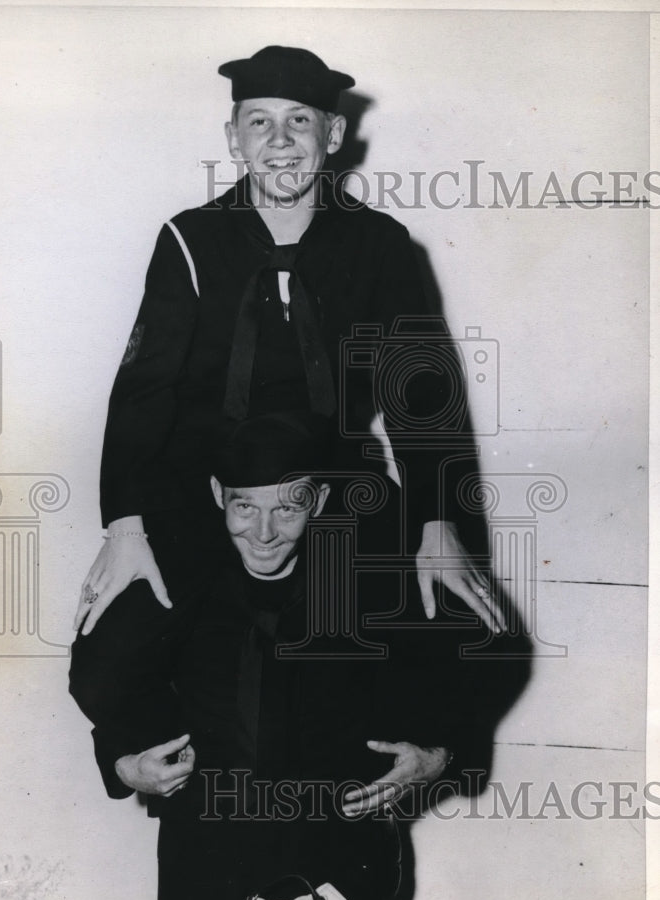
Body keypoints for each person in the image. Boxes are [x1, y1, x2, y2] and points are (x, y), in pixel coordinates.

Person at [70, 44, 506, 687]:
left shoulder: (378, 243)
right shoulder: (189, 239)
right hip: (211, 491)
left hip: (336, 483)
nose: (279, 140)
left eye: (299, 120)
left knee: (453, 628)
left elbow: (422, 393)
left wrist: (438, 524)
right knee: (122, 631)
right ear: (233, 137)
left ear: (333, 134)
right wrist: (126, 524)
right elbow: (144, 389)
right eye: (259, 121)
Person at [70, 411, 479, 900]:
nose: (263, 533)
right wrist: (126, 762)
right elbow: (103, 679)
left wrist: (439, 756)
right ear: (218, 494)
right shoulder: (176, 579)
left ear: (319, 498)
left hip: (339, 855)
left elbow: (464, 667)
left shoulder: (369, 577)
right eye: (245, 507)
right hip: (209, 859)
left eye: (287, 508)